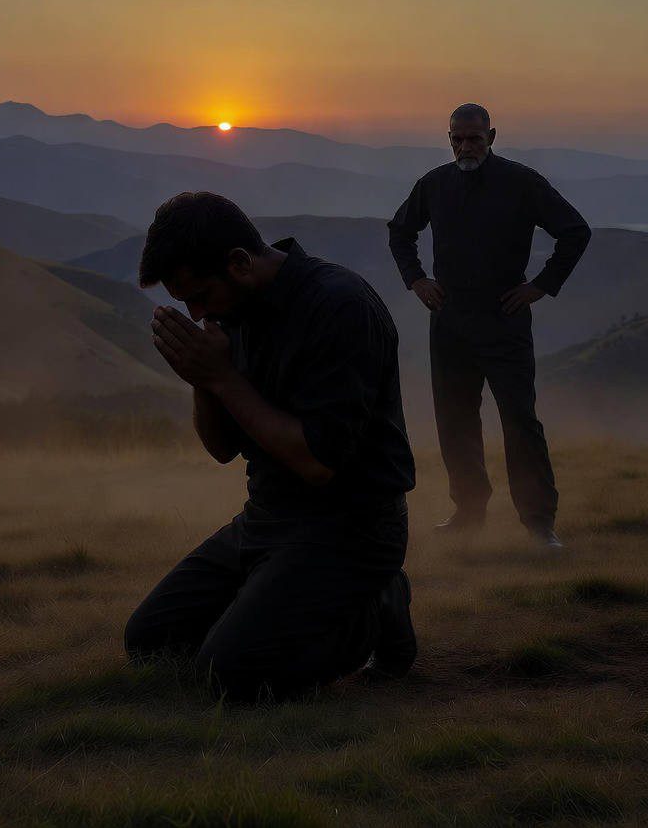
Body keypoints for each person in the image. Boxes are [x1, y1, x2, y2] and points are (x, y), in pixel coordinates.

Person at [125, 192, 417, 701]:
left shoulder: (339, 306)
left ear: (240, 262)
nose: (195, 314)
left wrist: (221, 377)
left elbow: (319, 463)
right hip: (267, 518)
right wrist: (202, 378)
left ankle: (379, 606)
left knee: (230, 677)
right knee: (150, 643)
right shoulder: (234, 313)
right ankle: (277, 604)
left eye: (199, 296)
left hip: (352, 526)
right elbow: (221, 450)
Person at [388, 104, 591, 548]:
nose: (465, 147)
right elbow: (400, 231)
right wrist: (417, 279)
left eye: (474, 138)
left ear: (492, 136)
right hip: (450, 321)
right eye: (457, 138)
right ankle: (468, 511)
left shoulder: (521, 182)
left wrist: (540, 287)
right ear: (449, 139)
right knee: (455, 421)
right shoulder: (435, 184)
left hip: (505, 319)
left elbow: (575, 230)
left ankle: (540, 524)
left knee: (520, 420)